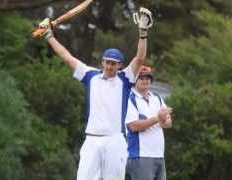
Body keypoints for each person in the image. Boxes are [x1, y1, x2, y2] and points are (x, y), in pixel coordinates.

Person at [38, 7, 153, 180]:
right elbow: (66, 57)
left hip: (115, 140)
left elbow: (139, 58)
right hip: (92, 140)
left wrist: (143, 33)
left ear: (119, 65)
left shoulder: (125, 79)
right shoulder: (91, 76)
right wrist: (49, 36)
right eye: (107, 62)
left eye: (113, 64)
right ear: (102, 61)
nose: (109, 67)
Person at [125, 65, 173, 180]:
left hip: (159, 155)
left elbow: (168, 122)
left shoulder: (157, 98)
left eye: (148, 78)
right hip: (141, 155)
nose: (145, 81)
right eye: (141, 78)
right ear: (135, 80)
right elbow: (133, 126)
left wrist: (163, 120)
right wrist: (157, 118)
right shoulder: (130, 98)